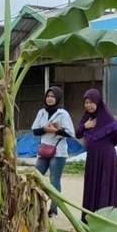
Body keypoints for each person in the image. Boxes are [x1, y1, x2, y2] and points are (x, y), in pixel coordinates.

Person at [76, 89, 117, 220]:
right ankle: (89, 218)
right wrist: (85, 126)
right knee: (92, 184)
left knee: (104, 184)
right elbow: (78, 133)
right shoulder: (87, 118)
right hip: (92, 157)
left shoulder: (106, 117)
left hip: (106, 156)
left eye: (91, 102)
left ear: (97, 102)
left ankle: (105, 217)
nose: (88, 105)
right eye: (86, 102)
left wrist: (106, 145)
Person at [31, 86, 75, 216]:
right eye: (48, 96)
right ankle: (36, 205)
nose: (50, 99)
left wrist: (56, 131)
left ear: (58, 98)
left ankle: (54, 209)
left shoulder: (63, 114)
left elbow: (70, 133)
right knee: (36, 177)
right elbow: (35, 130)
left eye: (53, 97)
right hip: (44, 149)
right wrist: (45, 129)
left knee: (54, 179)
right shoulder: (41, 112)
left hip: (58, 151)